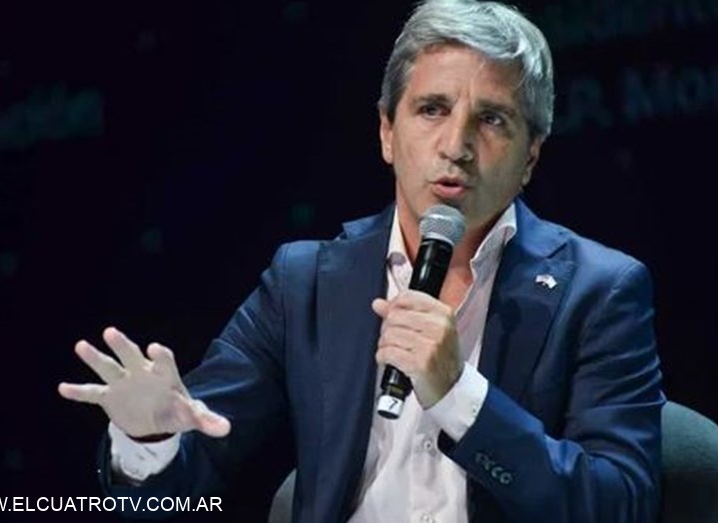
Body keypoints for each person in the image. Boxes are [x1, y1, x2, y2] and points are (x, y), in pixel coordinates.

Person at [58, 0, 664, 521]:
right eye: (432, 109)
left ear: (530, 155)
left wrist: (458, 395)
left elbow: (621, 505)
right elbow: (173, 494)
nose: (456, 145)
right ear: (386, 132)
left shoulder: (599, 290)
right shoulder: (305, 285)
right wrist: (147, 440)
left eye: (491, 119)